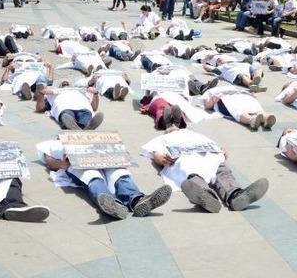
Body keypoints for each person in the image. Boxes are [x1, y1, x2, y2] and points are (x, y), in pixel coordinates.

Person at [141, 127, 269, 213]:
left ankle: (236, 195)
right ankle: (206, 196)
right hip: (185, 159)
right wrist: (160, 158)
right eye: (171, 128)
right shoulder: (163, 139)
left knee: (221, 170)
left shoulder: (195, 135)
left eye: (177, 126)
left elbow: (214, 146)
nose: (174, 126)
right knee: (192, 173)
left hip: (208, 156)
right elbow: (155, 153)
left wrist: (222, 150)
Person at [37, 138, 171, 220]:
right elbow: (49, 160)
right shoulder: (55, 144)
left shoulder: (98, 136)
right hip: (79, 166)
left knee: (119, 173)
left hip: (104, 160)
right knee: (93, 177)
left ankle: (137, 201)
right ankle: (112, 204)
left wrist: (121, 157)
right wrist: (64, 163)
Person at [201, 85, 276, 130]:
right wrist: (213, 100)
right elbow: (207, 106)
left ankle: (266, 118)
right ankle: (251, 120)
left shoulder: (230, 87)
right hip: (224, 100)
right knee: (235, 108)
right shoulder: (209, 92)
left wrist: (250, 95)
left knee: (253, 104)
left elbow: (241, 91)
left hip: (239, 96)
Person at [34, 84, 104, 130]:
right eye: (63, 83)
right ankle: (86, 129)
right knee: (67, 116)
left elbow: (94, 107)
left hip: (83, 108)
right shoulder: (53, 92)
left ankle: (80, 128)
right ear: (59, 86)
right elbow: (40, 109)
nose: (66, 83)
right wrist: (41, 93)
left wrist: (95, 94)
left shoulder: (81, 90)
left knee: (85, 117)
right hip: (65, 108)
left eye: (67, 83)